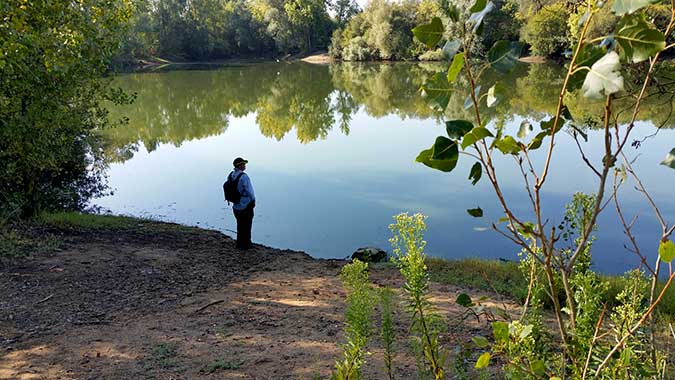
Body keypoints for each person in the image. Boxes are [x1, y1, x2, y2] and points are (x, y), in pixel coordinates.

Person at [228, 157, 256, 250]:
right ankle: (246, 244)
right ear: (240, 166)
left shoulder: (231, 175)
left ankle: (239, 243)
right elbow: (250, 191)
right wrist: (253, 200)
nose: (245, 165)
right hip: (245, 204)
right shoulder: (244, 177)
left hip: (236, 205)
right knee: (247, 225)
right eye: (243, 164)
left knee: (240, 225)